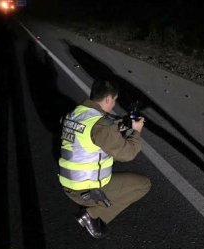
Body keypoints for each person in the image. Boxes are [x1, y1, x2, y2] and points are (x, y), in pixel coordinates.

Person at [58, 79, 151, 238]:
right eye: (114, 100)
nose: (114, 104)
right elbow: (128, 153)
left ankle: (92, 209)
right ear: (108, 98)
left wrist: (119, 126)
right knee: (143, 184)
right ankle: (92, 213)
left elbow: (93, 132)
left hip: (68, 184)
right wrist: (136, 132)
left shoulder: (75, 113)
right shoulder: (101, 126)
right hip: (86, 189)